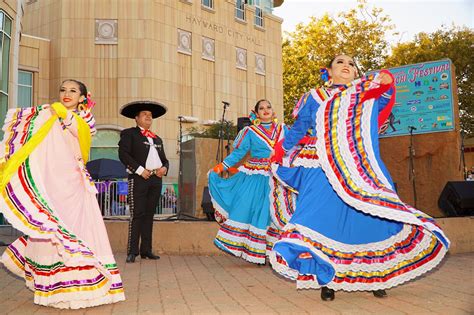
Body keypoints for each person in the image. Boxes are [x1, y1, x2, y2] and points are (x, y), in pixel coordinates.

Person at [270, 55, 450, 301]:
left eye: (352, 64)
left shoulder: (365, 94)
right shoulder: (315, 97)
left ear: (356, 72)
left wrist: (386, 81)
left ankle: (375, 275)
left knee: (369, 219)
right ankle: (328, 278)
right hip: (320, 163)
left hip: (357, 164)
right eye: (340, 62)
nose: (347, 66)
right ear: (329, 72)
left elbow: (384, 99)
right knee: (319, 218)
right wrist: (280, 151)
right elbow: (300, 128)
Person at [0, 79, 125, 308]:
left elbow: (78, 131)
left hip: (74, 186)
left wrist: (59, 112)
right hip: (52, 184)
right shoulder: (48, 117)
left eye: (73, 91)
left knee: (77, 232)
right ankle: (52, 288)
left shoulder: (83, 120)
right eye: (63, 90)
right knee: (49, 231)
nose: (66, 94)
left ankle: (81, 286)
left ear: (82, 97)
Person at [208, 99, 296, 264]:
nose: (265, 110)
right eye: (261, 108)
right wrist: (221, 167)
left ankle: (275, 253)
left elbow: (295, 146)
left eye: (268, 107)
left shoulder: (284, 129)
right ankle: (257, 253)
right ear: (256, 113)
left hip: (278, 175)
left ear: (273, 110)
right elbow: (238, 153)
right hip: (256, 176)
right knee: (257, 210)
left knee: (276, 212)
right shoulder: (250, 131)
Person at [118, 101, 169, 263]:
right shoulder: (129, 134)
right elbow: (123, 155)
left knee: (149, 215)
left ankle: (146, 250)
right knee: (137, 214)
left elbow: (165, 160)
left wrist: (164, 169)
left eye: (150, 115)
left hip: (156, 180)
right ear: (136, 118)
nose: (148, 117)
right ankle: (133, 251)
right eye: (144, 114)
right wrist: (140, 170)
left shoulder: (158, 139)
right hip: (139, 178)